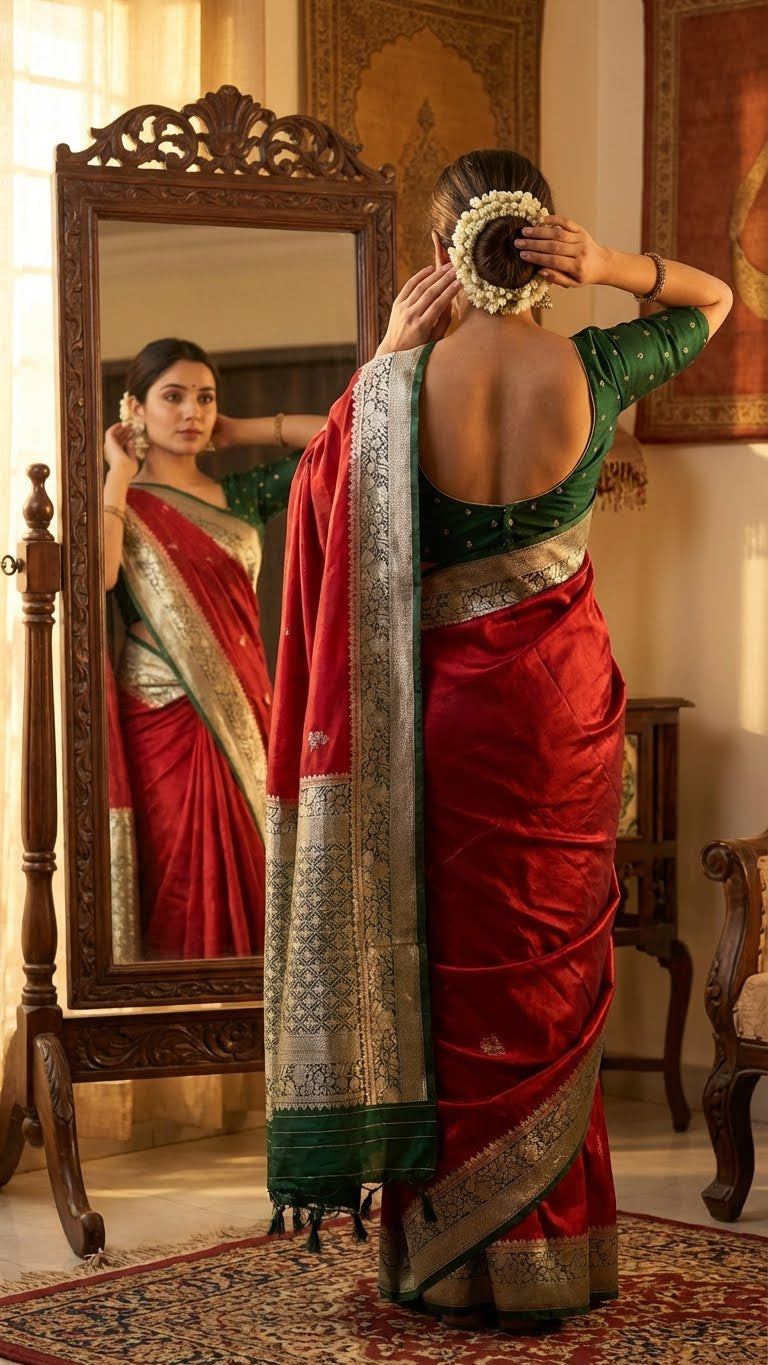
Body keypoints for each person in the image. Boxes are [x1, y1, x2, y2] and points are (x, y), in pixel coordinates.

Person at [263, 150, 732, 1328]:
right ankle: (546, 1256)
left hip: (448, 721)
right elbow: (714, 302)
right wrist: (613, 265)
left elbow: (312, 500)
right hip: (563, 718)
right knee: (552, 969)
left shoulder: (392, 396)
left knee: (445, 967)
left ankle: (449, 1261)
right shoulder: (597, 365)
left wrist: (383, 355)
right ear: (544, 244)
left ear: (439, 255)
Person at [103, 337, 324, 961]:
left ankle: (256, 1048)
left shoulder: (244, 496)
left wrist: (242, 429)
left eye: (204, 397)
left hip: (249, 714)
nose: (191, 411)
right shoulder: (124, 502)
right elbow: (100, 576)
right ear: (136, 408)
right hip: (160, 720)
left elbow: (349, 436)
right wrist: (118, 476)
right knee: (177, 883)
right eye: (172, 397)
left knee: (256, 870)